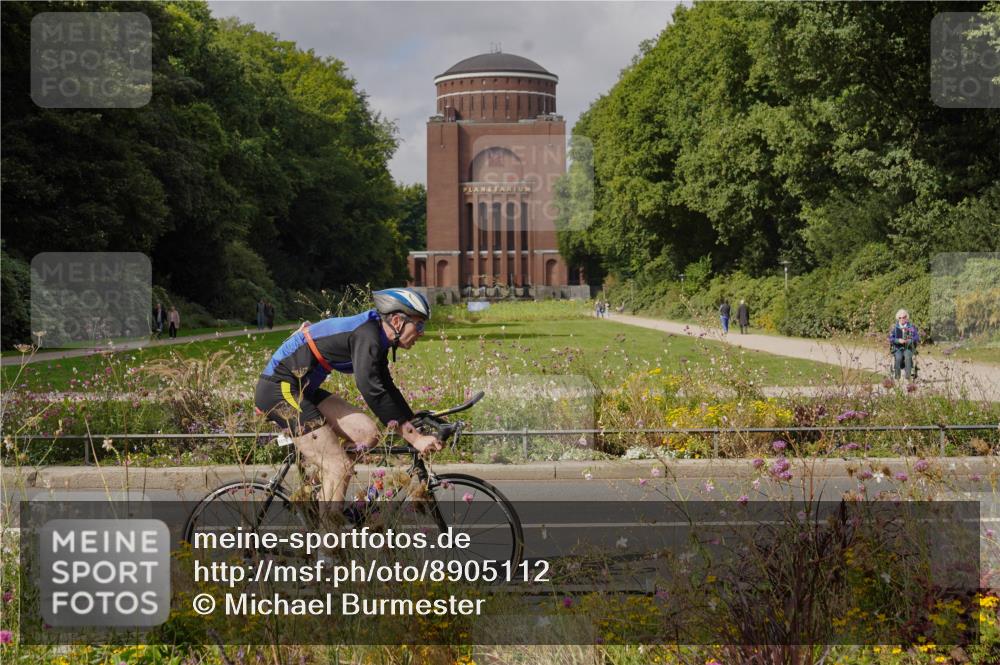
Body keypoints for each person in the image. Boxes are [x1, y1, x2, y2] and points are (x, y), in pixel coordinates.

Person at [254, 288, 442, 519]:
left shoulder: (378, 338)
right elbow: (371, 389)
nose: (421, 332)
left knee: (368, 434)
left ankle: (320, 489)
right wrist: (414, 437)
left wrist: (413, 423)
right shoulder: (367, 335)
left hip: (304, 390)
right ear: (396, 320)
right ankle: (327, 549)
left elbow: (386, 386)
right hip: (278, 390)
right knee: (339, 466)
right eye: (419, 325)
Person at [888, 309, 920, 380]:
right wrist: (898, 340)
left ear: (906, 317)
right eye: (900, 318)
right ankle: (897, 377)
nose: (902, 319)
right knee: (898, 357)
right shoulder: (894, 327)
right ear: (898, 318)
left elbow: (917, 337)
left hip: (908, 347)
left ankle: (908, 377)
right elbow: (890, 338)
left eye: (903, 317)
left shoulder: (911, 327)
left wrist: (910, 340)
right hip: (897, 348)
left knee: (908, 356)